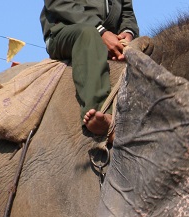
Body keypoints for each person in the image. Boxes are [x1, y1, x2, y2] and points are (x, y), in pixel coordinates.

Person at [41, 0, 139, 137]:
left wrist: (127, 33)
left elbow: (127, 13)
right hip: (65, 32)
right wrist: (101, 31)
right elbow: (58, 4)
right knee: (88, 34)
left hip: (109, 37)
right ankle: (100, 112)